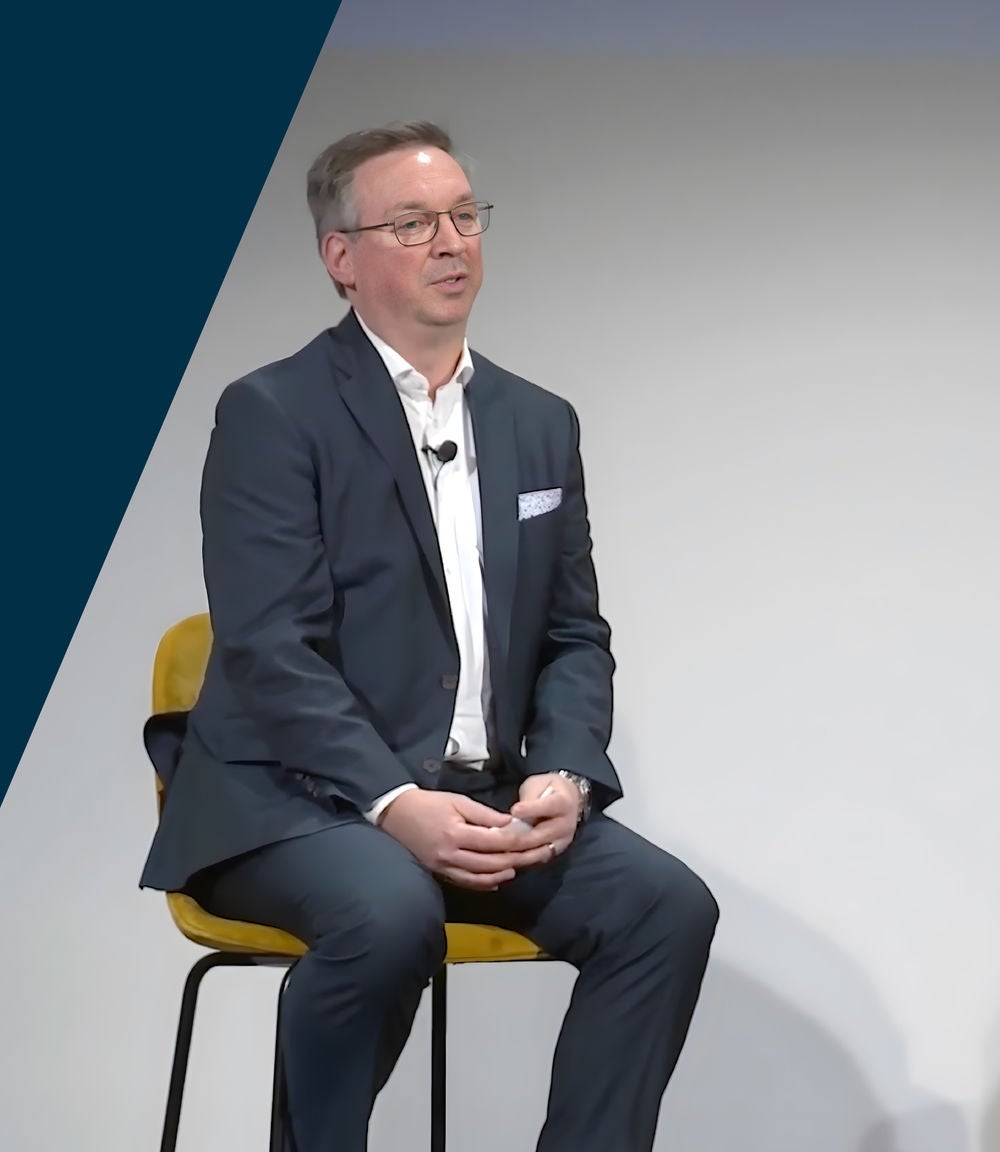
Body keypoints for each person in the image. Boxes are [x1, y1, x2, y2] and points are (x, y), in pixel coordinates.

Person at [139, 121, 718, 1152]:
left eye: (462, 216)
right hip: (292, 800)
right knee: (389, 907)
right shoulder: (273, 412)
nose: (451, 242)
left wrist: (566, 777)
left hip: (483, 797)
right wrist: (394, 801)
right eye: (413, 222)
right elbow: (270, 648)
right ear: (342, 258)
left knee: (664, 909)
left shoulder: (538, 420)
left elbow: (575, 634)